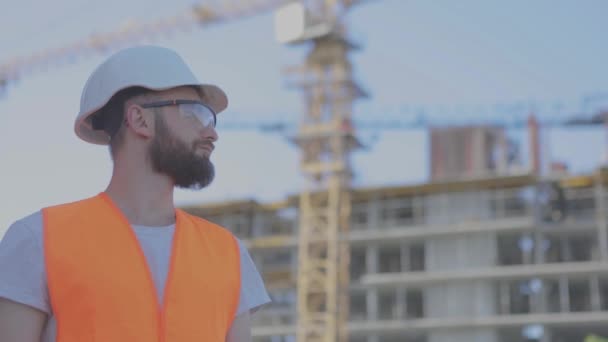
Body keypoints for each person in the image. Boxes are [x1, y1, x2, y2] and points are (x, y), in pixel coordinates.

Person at [0, 45, 270, 342]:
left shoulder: (228, 254)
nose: (211, 133)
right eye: (194, 113)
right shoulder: (37, 240)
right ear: (140, 120)